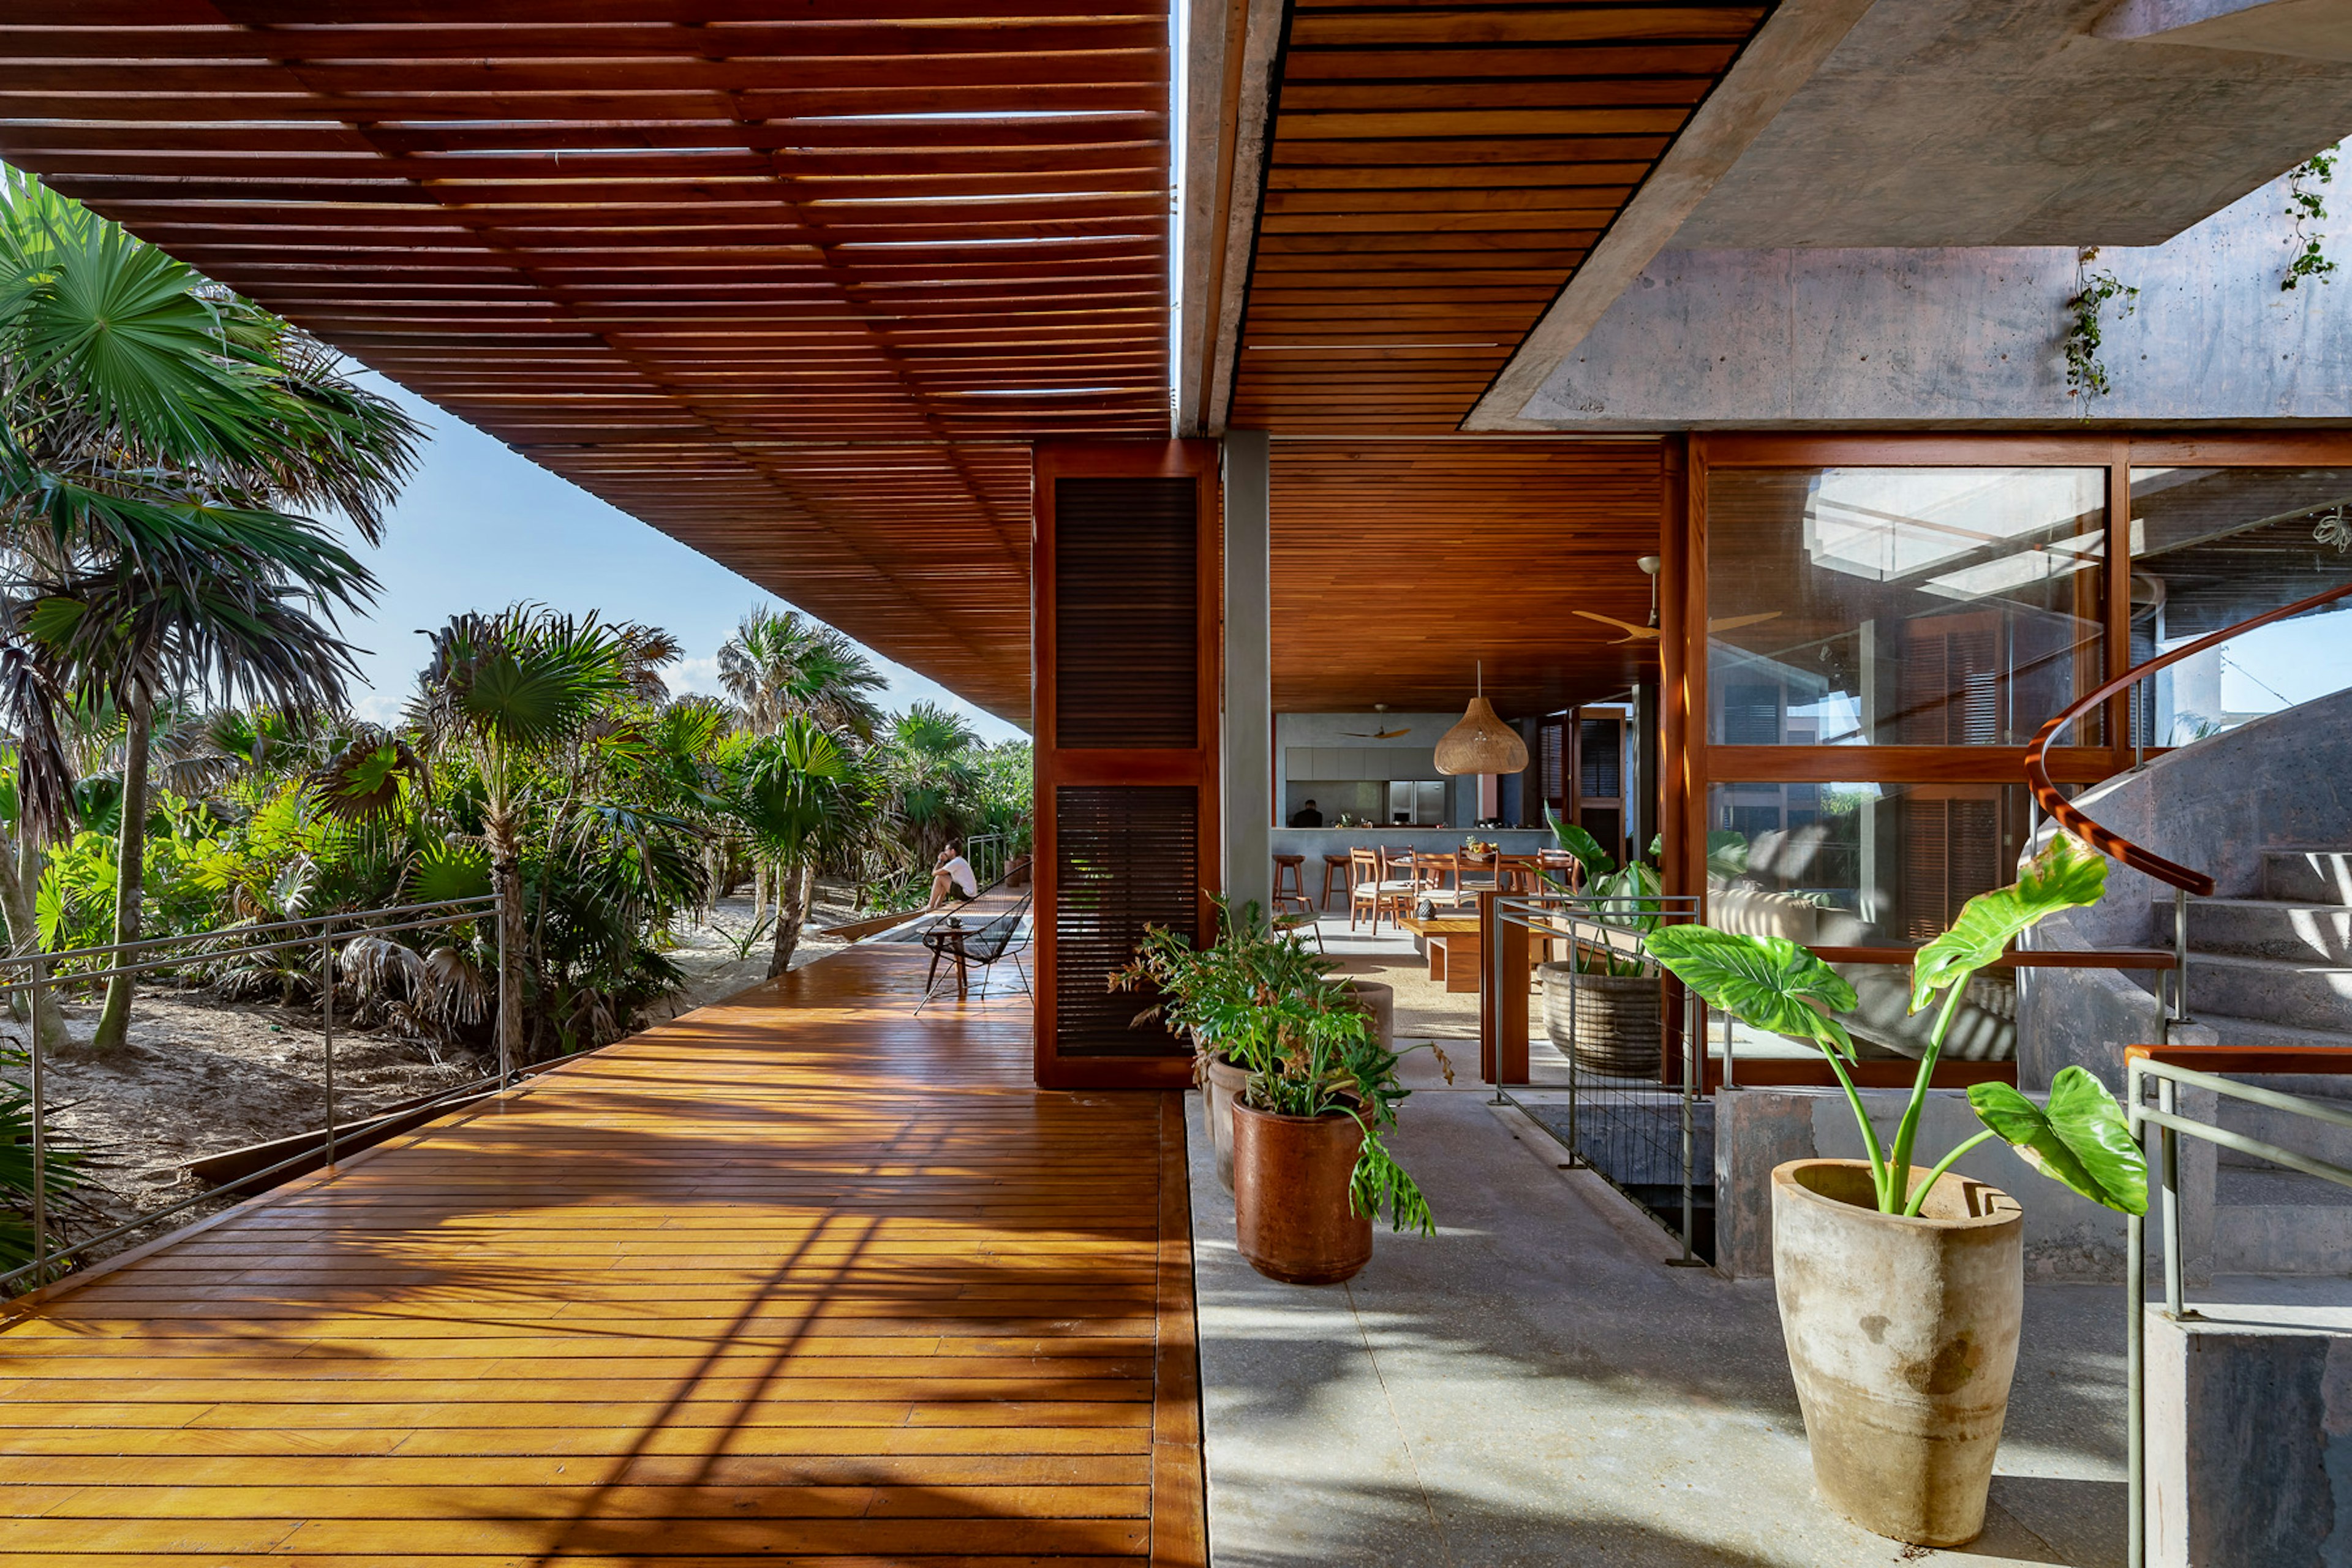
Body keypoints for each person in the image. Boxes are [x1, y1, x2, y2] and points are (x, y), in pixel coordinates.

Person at [927, 842, 979, 909]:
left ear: (952, 851)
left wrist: (940, 860)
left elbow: (934, 873)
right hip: (971, 895)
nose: (945, 852)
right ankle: (938, 904)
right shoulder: (959, 861)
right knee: (944, 879)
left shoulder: (956, 862)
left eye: (946, 850)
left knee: (939, 878)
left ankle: (930, 905)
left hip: (967, 895)